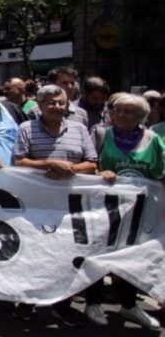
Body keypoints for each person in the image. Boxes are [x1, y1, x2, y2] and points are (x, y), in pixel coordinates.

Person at [11, 85, 98, 326]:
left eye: (61, 102)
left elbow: (91, 163)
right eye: (51, 102)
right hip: (36, 203)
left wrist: (68, 169)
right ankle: (26, 302)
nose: (57, 107)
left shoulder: (80, 130)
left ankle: (62, 304)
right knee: (34, 254)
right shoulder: (26, 129)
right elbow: (19, 161)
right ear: (39, 105)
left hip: (71, 206)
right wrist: (49, 164)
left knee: (65, 256)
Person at [85, 93, 164, 329]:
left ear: (141, 116)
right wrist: (99, 173)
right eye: (117, 110)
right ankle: (93, 302)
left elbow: (160, 174)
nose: (120, 114)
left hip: (140, 212)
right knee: (98, 255)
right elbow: (89, 163)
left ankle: (129, 305)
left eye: (128, 111)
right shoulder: (100, 134)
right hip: (104, 208)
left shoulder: (153, 138)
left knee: (133, 259)